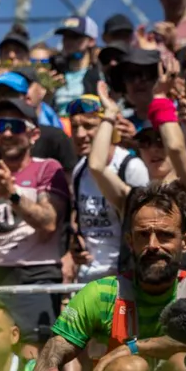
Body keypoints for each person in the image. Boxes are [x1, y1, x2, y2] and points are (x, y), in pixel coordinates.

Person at [29, 184, 186, 371]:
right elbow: (43, 369)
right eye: (143, 235)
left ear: (185, 242)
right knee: (130, 369)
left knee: (182, 365)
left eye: (165, 235)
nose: (153, 245)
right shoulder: (101, 293)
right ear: (129, 241)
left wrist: (133, 347)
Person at [0, 97, 69, 345]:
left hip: (37, 273)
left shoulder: (48, 169)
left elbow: (49, 222)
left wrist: (12, 195)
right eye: (1, 126)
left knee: (33, 354)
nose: (7, 133)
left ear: (34, 135)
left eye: (16, 126)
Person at [72, 95, 149, 281]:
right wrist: (75, 247)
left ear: (108, 128)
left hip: (123, 278)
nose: (80, 134)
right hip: (87, 277)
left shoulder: (131, 167)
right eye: (75, 127)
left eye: (89, 126)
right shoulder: (79, 169)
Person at [0, 71, 76, 171]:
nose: (3, 100)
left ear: (27, 99)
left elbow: (71, 181)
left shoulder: (55, 139)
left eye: (10, 94)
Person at [50, 16, 104, 114]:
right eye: (65, 36)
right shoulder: (53, 71)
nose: (68, 41)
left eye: (75, 36)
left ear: (91, 41)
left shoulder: (99, 75)